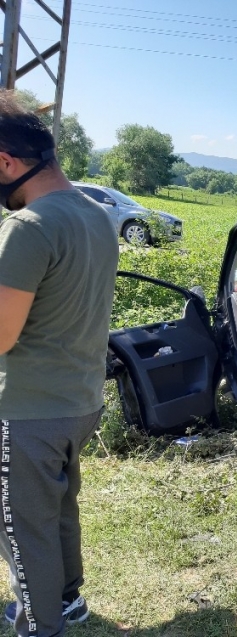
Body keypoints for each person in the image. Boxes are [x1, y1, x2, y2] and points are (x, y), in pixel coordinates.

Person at [0, 91, 118, 636]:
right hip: (79, 400)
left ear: (6, 162)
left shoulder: (28, 228)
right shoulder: (95, 215)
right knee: (58, 509)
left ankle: (39, 624)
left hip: (25, 410)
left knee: (23, 527)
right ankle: (67, 600)